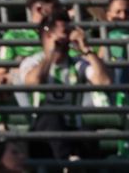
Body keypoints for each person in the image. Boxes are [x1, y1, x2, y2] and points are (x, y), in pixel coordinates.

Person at [15, 15, 110, 165]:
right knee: (51, 116)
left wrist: (85, 50)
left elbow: (104, 82)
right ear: (46, 36)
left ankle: (74, 165)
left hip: (73, 128)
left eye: (67, 32)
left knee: (88, 135)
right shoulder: (32, 62)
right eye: (63, 33)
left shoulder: (77, 63)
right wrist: (50, 54)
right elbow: (34, 82)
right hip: (42, 133)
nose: (65, 39)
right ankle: (67, 164)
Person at [0, 0, 63, 64]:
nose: (60, 10)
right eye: (55, 7)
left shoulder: (63, 34)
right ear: (39, 9)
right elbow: (1, 70)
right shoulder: (13, 36)